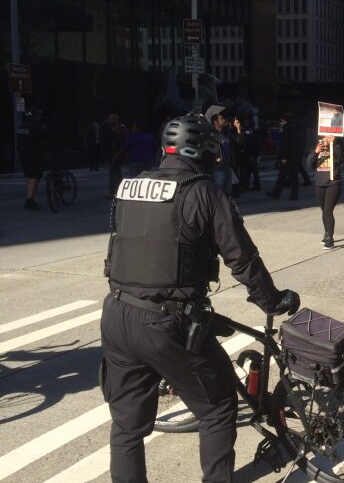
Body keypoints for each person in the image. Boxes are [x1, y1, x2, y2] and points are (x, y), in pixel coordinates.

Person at [101, 114, 297, 483]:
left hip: (117, 315)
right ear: (204, 151)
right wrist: (272, 301)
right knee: (219, 407)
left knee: (127, 427)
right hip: (165, 323)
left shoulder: (131, 184)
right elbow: (242, 259)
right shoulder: (203, 190)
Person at [307, 135, 344, 249]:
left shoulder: (337, 147)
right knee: (323, 210)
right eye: (324, 138)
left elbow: (342, 158)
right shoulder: (318, 149)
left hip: (333, 183)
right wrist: (315, 151)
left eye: (328, 138)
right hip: (319, 183)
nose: (326, 140)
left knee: (328, 211)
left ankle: (330, 238)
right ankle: (327, 233)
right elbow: (309, 164)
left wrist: (335, 144)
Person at [16, 108, 50, 210]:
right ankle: (29, 199)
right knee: (35, 176)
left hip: (22, 154)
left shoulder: (22, 127)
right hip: (34, 155)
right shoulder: (37, 127)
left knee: (30, 176)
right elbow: (49, 135)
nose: (39, 117)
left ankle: (30, 197)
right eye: (38, 116)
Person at [266, 117, 304, 200]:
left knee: (282, 176)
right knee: (293, 176)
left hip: (288, 157)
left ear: (285, 121)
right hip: (295, 156)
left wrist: (283, 157)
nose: (280, 123)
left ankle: (276, 193)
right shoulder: (294, 129)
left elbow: (285, 144)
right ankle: (294, 195)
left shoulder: (286, 129)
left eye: (281, 121)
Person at [235, 118, 262, 192]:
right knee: (252, 170)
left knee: (248, 170)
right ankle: (255, 184)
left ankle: (247, 185)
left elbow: (250, 143)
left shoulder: (249, 131)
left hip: (249, 153)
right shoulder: (253, 131)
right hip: (252, 153)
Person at [107, 114, 129, 198]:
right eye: (110, 119)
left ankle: (115, 191)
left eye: (113, 119)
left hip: (118, 154)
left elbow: (124, 142)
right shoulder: (109, 129)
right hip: (112, 154)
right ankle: (115, 190)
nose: (111, 120)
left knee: (115, 173)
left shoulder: (121, 129)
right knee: (114, 173)